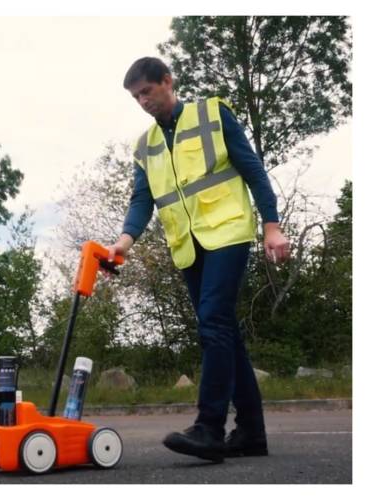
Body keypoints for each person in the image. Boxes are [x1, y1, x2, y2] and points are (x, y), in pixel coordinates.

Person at [106, 57, 291, 463]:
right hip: (187, 246)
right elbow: (142, 199)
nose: (143, 101)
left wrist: (271, 226)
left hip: (227, 231)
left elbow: (253, 170)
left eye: (147, 91)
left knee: (213, 322)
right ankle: (251, 432)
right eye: (136, 97)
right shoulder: (146, 146)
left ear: (167, 81)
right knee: (223, 331)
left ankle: (209, 427)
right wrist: (124, 242)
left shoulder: (212, 114)